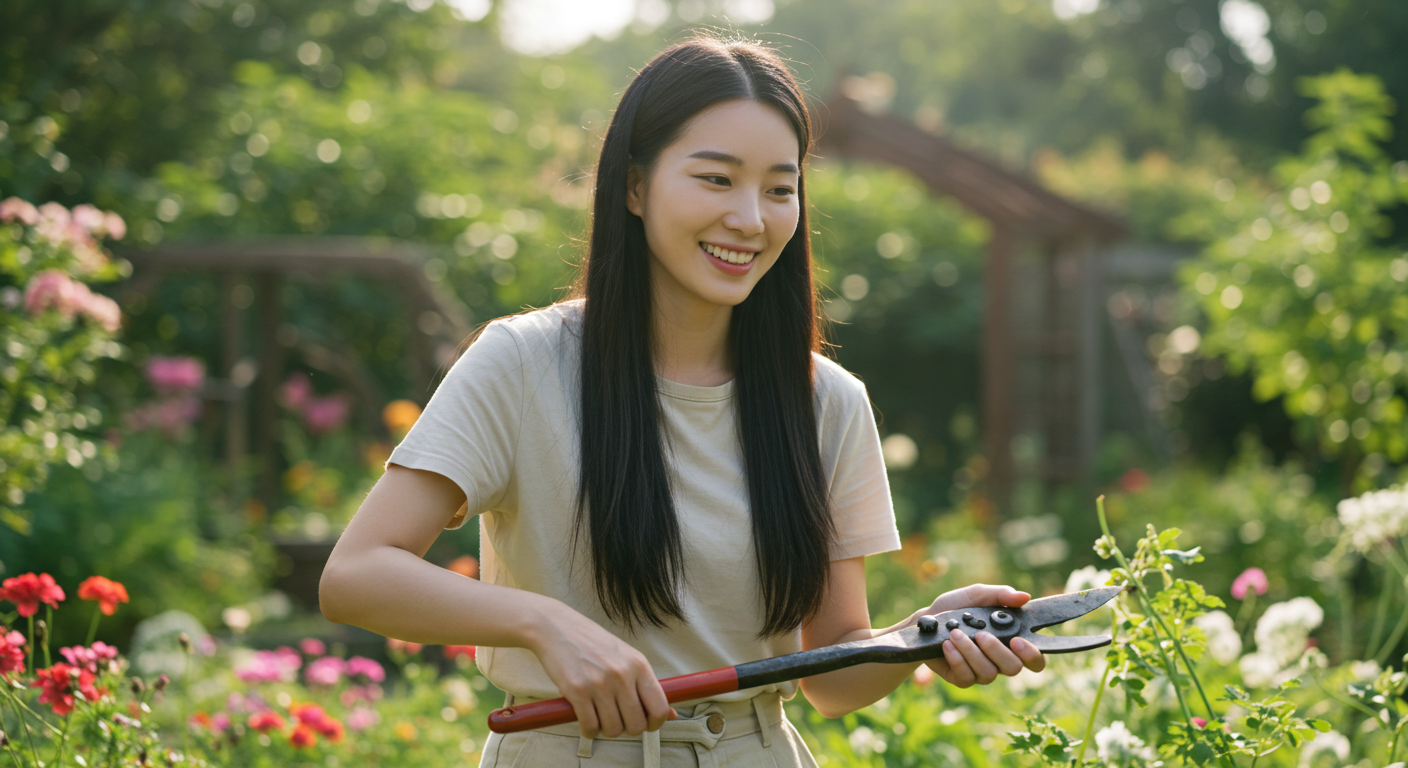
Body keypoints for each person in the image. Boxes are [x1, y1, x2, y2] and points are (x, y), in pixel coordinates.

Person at [318, 36, 1046, 768]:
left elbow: (831, 674)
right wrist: (542, 624)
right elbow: (356, 575)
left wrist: (918, 638)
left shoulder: (828, 401)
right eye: (717, 179)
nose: (751, 219)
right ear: (635, 187)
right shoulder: (522, 363)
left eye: (780, 189)